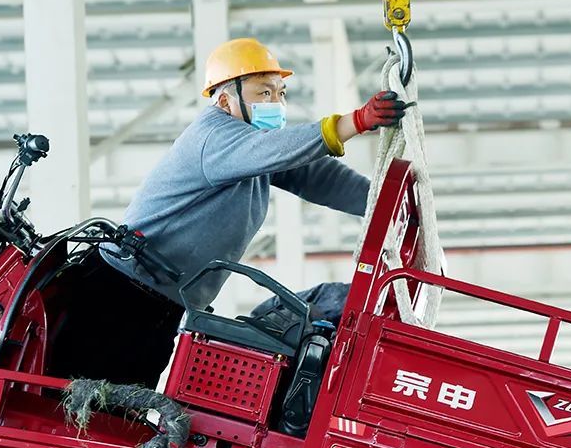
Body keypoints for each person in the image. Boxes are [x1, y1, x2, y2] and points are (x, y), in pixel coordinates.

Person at [47, 37, 407, 387]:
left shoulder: (253, 152)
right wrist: (354, 121)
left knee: (121, 410)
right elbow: (277, 150)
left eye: (280, 93)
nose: (276, 102)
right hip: (119, 294)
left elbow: (315, 176)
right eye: (263, 92)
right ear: (224, 100)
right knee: (79, 402)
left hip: (163, 304)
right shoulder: (212, 137)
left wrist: (383, 204)